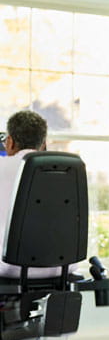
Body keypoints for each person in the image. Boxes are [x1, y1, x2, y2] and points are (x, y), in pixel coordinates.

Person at [0, 110, 59, 278]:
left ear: (10, 142)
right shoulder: (67, 169)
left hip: (9, 270)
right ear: (43, 144)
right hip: (60, 269)